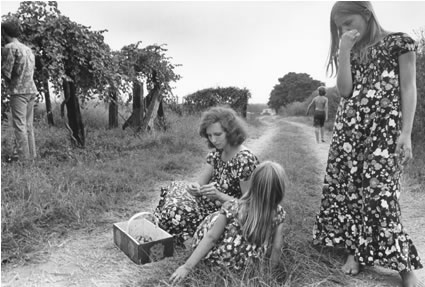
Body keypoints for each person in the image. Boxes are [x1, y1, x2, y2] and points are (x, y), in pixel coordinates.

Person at [312, 2, 422, 287]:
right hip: (349, 131)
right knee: (349, 190)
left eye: (349, 23)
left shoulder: (400, 42)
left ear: (367, 14)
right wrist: (345, 51)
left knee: (381, 192)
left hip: (385, 131)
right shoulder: (350, 50)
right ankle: (354, 252)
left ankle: (403, 264)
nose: (345, 30)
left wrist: (406, 133)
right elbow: (346, 91)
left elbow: (408, 88)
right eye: (340, 28)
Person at [154, 106, 259, 245]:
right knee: (176, 187)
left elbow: (249, 204)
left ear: (231, 132)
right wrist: (195, 187)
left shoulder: (245, 160)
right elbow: (200, 183)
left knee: (173, 209)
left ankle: (186, 237)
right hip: (206, 204)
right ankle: (185, 235)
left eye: (217, 134)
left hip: (224, 213)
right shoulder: (217, 154)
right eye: (209, 135)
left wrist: (219, 196)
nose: (213, 140)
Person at [169, 161, 287, 284]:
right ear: (280, 189)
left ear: (253, 184)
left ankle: (193, 243)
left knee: (214, 219)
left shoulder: (233, 206)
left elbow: (212, 237)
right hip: (247, 267)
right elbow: (277, 248)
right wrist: (269, 276)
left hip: (218, 261)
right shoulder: (279, 213)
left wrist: (186, 267)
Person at [1, 20, 38, 161]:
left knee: (19, 126)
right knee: (28, 125)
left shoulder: (9, 47)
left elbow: (6, 71)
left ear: (4, 32)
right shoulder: (27, 49)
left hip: (19, 91)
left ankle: (23, 160)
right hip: (31, 90)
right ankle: (31, 157)